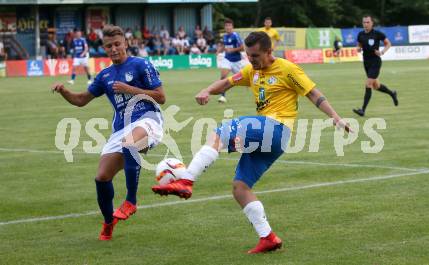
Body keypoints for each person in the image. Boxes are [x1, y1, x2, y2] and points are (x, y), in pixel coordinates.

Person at [151, 31, 350, 254]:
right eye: (248, 55)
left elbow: (313, 94)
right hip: (272, 141)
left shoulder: (287, 69)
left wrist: (335, 116)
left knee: (220, 132)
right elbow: (226, 83)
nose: (251, 60)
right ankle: (268, 237)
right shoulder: (250, 70)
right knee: (240, 187)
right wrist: (207, 90)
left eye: (255, 56)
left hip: (276, 128)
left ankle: (186, 181)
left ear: (269, 52)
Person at [52, 25, 166, 241]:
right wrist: (65, 91)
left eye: (117, 44)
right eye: (108, 46)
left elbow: (161, 97)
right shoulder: (104, 75)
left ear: (126, 43)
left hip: (149, 119)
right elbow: (81, 100)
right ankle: (108, 222)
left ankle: (131, 201)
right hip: (121, 129)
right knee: (102, 177)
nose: (113, 49)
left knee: (130, 143)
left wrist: (131, 89)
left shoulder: (141, 65)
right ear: (104, 48)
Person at [353, 15, 398, 117]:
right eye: (364, 22)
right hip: (366, 63)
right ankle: (392, 93)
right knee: (376, 86)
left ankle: (362, 110)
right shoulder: (360, 34)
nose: (366, 24)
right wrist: (358, 48)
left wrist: (382, 52)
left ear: (372, 23)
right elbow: (359, 44)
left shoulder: (377, 34)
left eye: (368, 22)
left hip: (375, 62)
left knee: (368, 84)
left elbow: (388, 44)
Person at [217, 18, 246, 103]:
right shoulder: (225, 36)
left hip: (236, 61)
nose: (228, 27)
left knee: (244, 79)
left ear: (232, 27)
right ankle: (222, 97)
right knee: (223, 77)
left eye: (229, 25)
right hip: (227, 59)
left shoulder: (235, 36)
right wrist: (219, 50)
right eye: (226, 26)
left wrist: (232, 50)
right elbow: (224, 46)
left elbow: (242, 47)